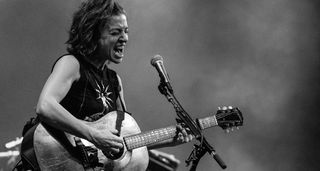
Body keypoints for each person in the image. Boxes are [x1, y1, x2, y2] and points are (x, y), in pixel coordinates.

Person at [21, 0, 193, 170]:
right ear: (92, 34)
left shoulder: (114, 81)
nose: (124, 38)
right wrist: (92, 134)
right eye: (115, 32)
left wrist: (170, 139)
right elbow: (45, 106)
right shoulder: (72, 64)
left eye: (126, 31)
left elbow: (123, 143)